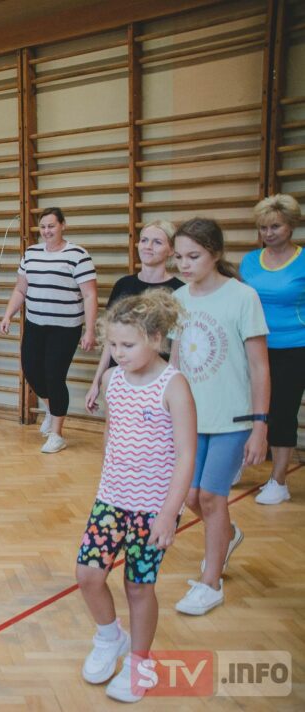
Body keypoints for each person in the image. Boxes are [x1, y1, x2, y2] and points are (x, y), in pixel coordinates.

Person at [76, 290, 196, 703]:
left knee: (138, 587)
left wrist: (169, 514)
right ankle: (110, 637)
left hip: (152, 508)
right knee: (88, 576)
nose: (118, 353)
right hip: (111, 500)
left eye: (127, 345)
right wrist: (107, 483)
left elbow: (185, 456)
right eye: (112, 345)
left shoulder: (173, 385)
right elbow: (113, 435)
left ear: (157, 339)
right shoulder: (112, 380)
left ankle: (140, 663)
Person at [171, 218, 269, 616]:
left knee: (211, 496)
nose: (184, 264)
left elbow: (260, 367)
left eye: (193, 256)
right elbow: (176, 360)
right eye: (178, 256)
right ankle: (225, 534)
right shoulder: (178, 298)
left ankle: (211, 583)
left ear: (215, 254)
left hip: (234, 418)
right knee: (191, 496)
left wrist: (260, 424)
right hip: (193, 417)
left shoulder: (243, 297)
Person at [0, 207, 97, 454]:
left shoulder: (78, 255)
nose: (46, 231)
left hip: (65, 328)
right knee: (31, 370)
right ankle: (51, 410)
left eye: (51, 226)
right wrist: (8, 314)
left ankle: (57, 434)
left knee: (54, 376)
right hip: (35, 324)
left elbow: (89, 294)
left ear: (63, 225)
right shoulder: (31, 253)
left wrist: (90, 330)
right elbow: (21, 290)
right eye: (42, 227)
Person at [241, 195, 305, 505]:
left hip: (293, 348)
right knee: (245, 410)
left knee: (281, 413)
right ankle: (237, 466)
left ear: (291, 226)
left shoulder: (303, 261)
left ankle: (278, 481)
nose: (269, 233)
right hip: (254, 345)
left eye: (275, 226)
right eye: (263, 227)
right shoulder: (250, 261)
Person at [85, 221, 184, 412]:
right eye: (144, 240)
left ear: (171, 250)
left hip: (156, 378)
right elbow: (110, 340)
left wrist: (170, 383)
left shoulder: (179, 291)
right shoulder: (123, 285)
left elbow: (177, 345)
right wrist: (96, 381)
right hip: (122, 375)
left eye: (157, 242)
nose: (148, 246)